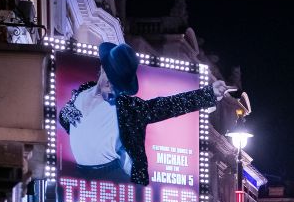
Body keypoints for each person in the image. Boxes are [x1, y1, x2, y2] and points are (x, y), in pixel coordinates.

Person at [59, 41, 233, 185]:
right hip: (78, 174)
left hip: (110, 176)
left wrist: (208, 94)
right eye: (112, 80)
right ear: (104, 69)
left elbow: (167, 106)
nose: (114, 89)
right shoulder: (81, 93)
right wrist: (65, 115)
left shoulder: (129, 107)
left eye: (119, 85)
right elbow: (70, 123)